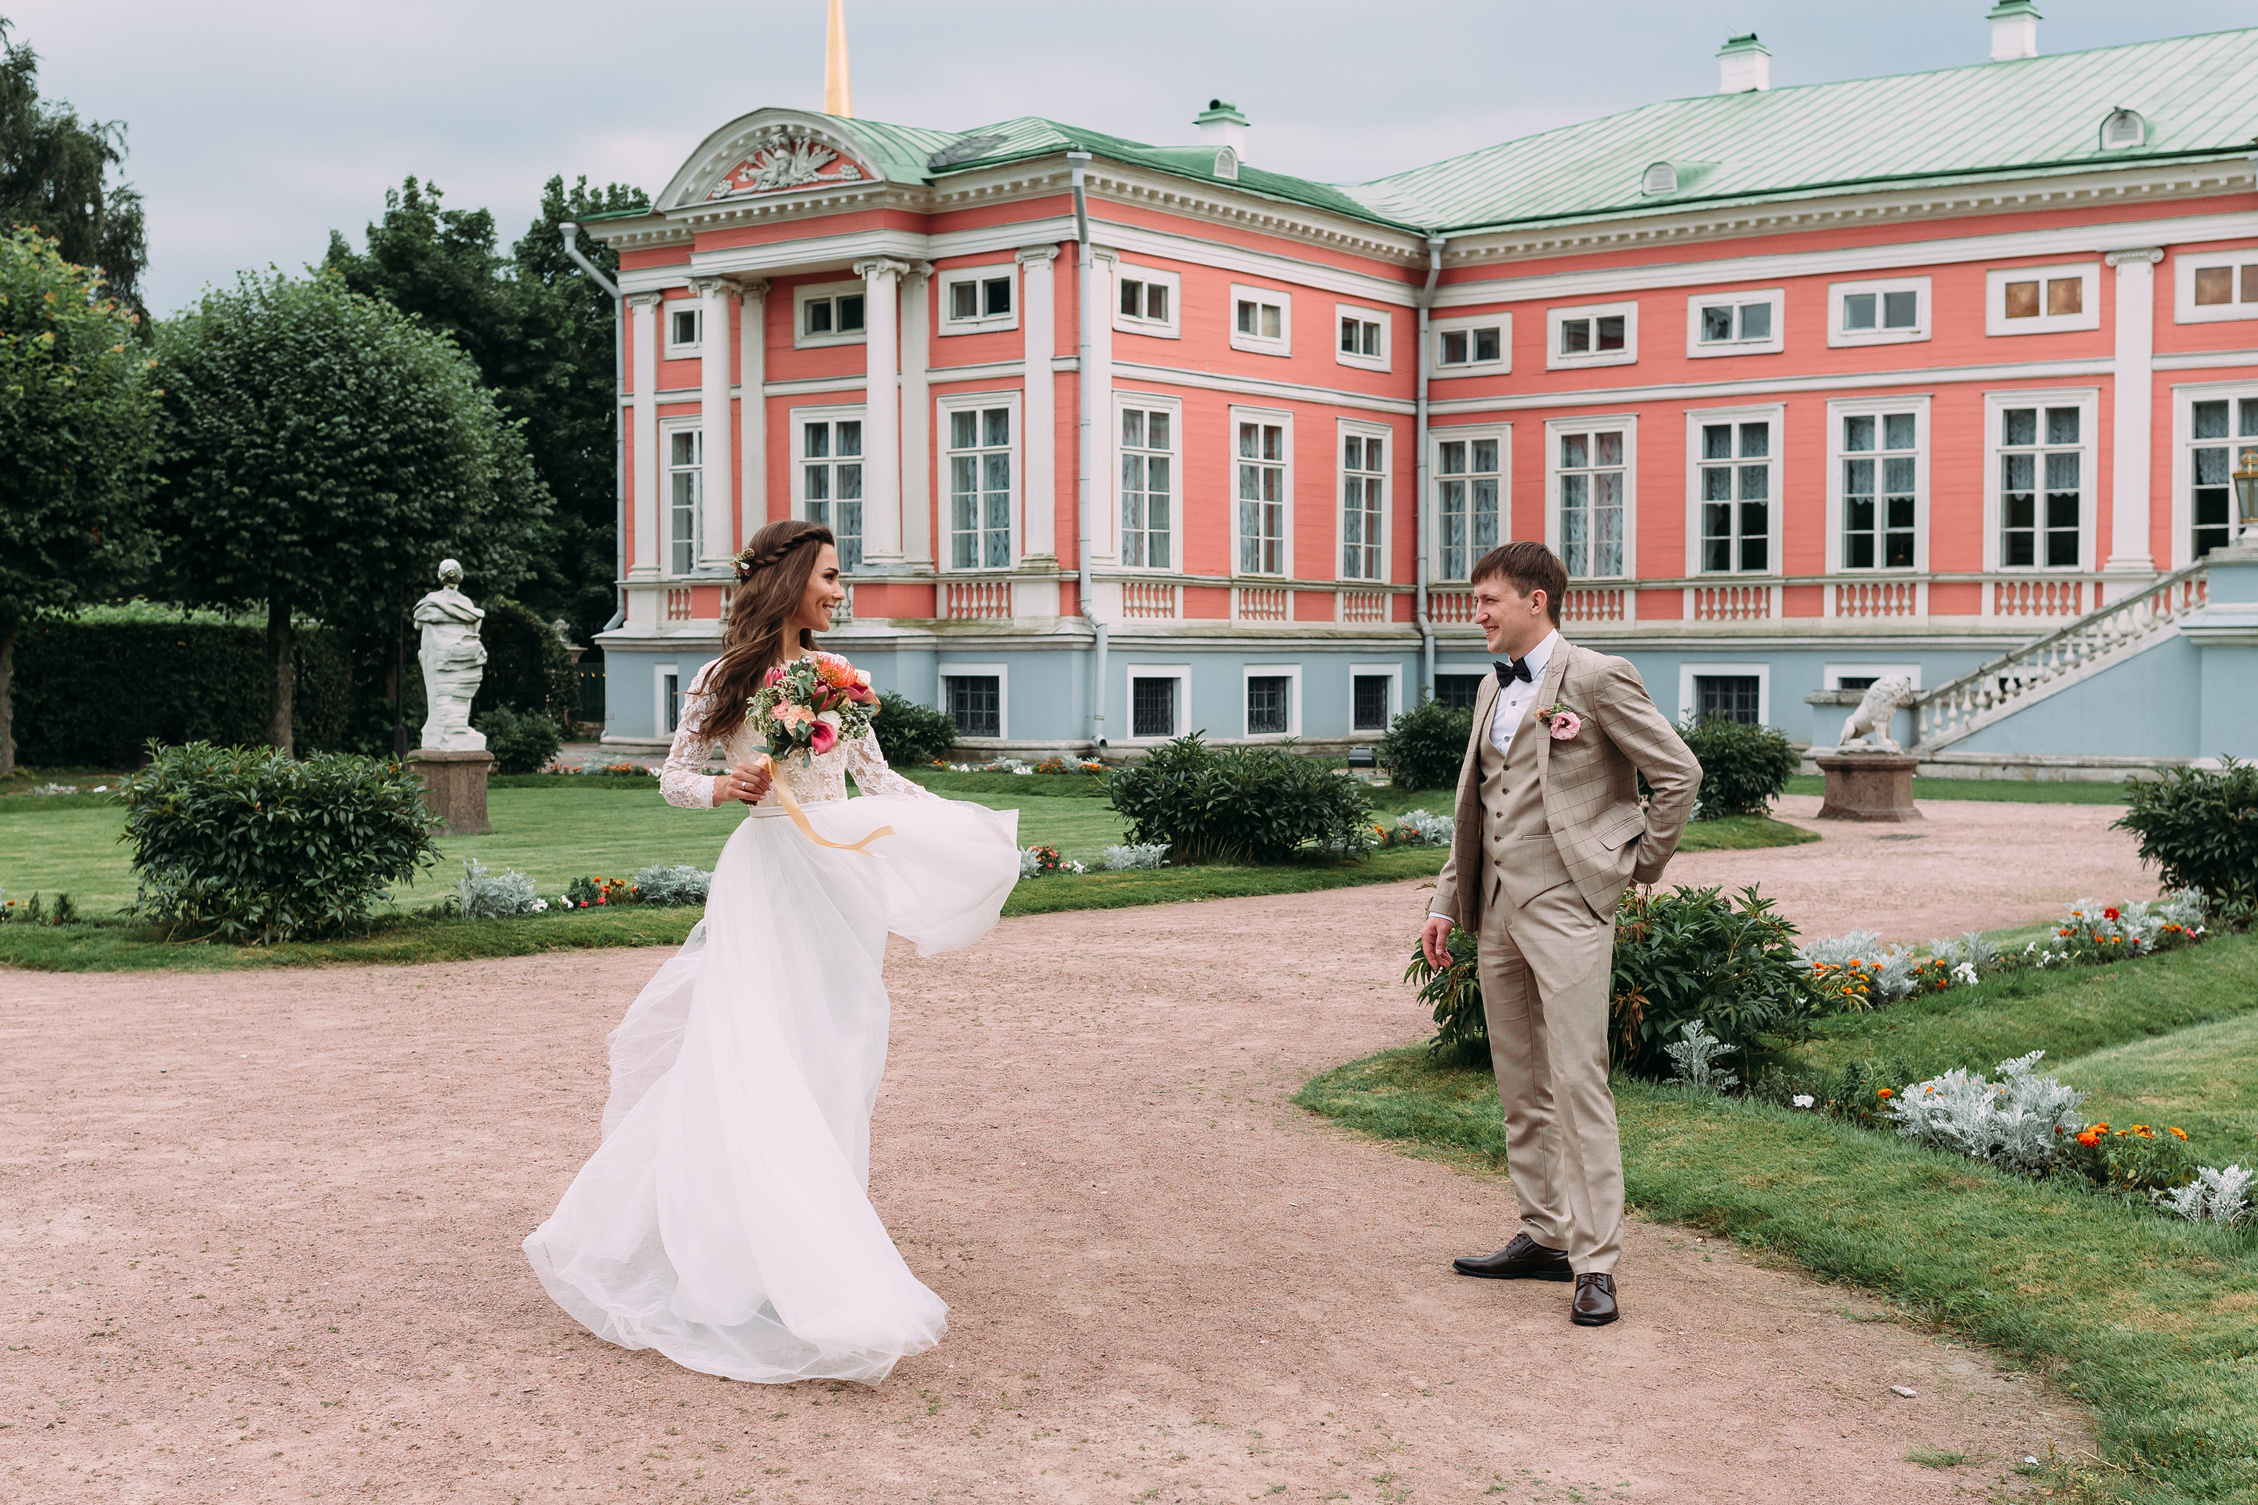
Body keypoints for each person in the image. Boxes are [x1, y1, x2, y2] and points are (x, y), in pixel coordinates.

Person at [524, 519, 1021, 1384]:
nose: (840, 591)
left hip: (839, 881)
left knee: (835, 1058)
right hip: (764, 875)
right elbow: (673, 776)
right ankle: (732, 1268)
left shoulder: (841, 678)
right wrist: (725, 784)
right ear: (789, 580)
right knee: (752, 1057)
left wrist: (958, 824)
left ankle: (805, 1246)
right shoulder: (724, 677)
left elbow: (876, 780)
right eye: (829, 576)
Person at [1417, 541, 1700, 1328]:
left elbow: (1678, 773)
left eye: (1488, 600)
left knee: (1579, 1082)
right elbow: (1477, 805)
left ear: (1534, 600)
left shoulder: (1599, 677)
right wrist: (1446, 903)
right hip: (1498, 910)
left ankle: (1596, 1259)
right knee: (1521, 1082)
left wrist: (1634, 865)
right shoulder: (1490, 685)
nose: (1476, 613)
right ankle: (1544, 1233)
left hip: (1570, 905)